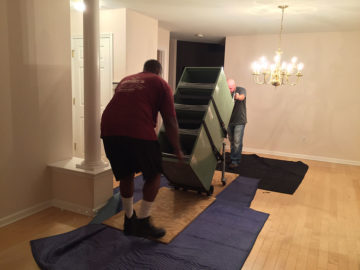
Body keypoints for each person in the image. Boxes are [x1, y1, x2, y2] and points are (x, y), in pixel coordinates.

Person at [101, 59, 183, 239]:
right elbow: (170, 120)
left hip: (108, 129)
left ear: (144, 69)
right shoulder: (161, 83)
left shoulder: (126, 80)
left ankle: (129, 220)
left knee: (126, 175)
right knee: (154, 175)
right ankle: (144, 222)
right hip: (137, 130)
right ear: (159, 72)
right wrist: (177, 149)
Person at [227, 78, 247, 169]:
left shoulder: (241, 89)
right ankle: (233, 158)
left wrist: (237, 97)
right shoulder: (225, 93)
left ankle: (235, 161)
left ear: (234, 86)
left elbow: (242, 97)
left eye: (231, 88)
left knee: (237, 142)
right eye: (228, 88)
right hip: (229, 121)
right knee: (232, 141)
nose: (229, 90)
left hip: (239, 121)